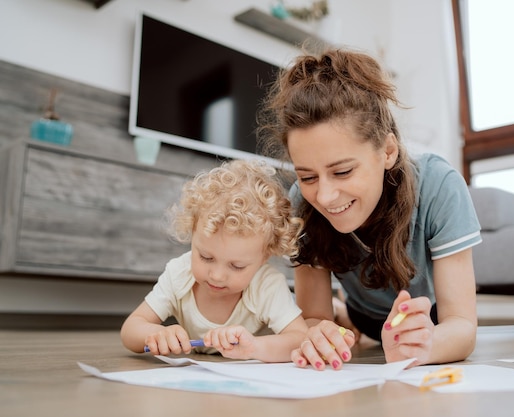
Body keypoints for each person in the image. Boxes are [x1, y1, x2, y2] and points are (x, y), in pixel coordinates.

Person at [258, 48, 482, 371]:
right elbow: (313, 317)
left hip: (429, 318)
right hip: (365, 313)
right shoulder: (302, 202)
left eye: (343, 171)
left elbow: (462, 324)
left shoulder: (439, 186)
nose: (324, 195)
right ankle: (346, 315)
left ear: (388, 151)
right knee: (347, 319)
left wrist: (424, 346)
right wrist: (318, 334)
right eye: (307, 176)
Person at [120, 159, 308, 363]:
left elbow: (300, 338)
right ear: (193, 233)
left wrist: (254, 347)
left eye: (237, 266)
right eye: (206, 257)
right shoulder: (179, 274)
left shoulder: (267, 286)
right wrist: (154, 333)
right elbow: (130, 329)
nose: (217, 275)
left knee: (319, 312)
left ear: (265, 257)